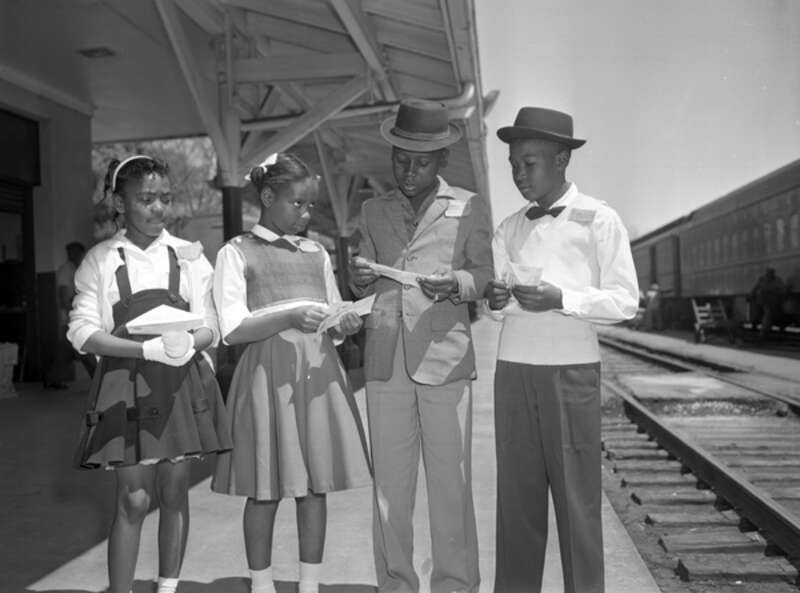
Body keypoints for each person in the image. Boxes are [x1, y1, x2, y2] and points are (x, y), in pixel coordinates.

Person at [486, 107, 639, 593]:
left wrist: (563, 300)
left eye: (528, 163)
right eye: (512, 164)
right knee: (517, 504)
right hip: (513, 371)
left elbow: (625, 302)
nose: (518, 174)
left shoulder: (600, 219)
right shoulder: (509, 227)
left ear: (561, 160)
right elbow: (496, 308)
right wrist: (495, 303)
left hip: (571, 373)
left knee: (577, 503)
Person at [67, 155, 232, 593]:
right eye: (145, 199)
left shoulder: (190, 257)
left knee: (175, 492)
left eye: (165, 198)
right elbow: (81, 331)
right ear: (119, 203)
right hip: (126, 388)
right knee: (133, 500)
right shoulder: (100, 261)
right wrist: (145, 348)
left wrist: (188, 343)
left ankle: (167, 587)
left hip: (180, 383)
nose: (158, 208)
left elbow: (212, 325)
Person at [350, 98, 493, 593]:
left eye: (421, 162)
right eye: (401, 160)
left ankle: (455, 586)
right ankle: (396, 585)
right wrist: (359, 276)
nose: (409, 172)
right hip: (385, 361)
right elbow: (363, 285)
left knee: (450, 487)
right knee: (390, 491)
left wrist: (456, 282)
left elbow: (485, 275)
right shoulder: (371, 210)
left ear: (442, 161)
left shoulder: (470, 207)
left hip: (445, 360)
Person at [211, 153, 371, 593]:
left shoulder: (317, 252)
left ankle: (309, 585)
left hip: (317, 376)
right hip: (266, 378)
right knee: (264, 488)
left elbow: (331, 317)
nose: (305, 214)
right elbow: (232, 329)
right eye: (297, 204)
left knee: (313, 486)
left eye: (310, 206)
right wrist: (290, 315)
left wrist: (344, 324)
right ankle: (261, 585)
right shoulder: (236, 252)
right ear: (267, 197)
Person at [45, 241, 95, 388]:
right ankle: (100, 381)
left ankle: (52, 379)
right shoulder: (66, 271)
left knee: (68, 352)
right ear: (72, 253)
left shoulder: (74, 269)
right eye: (79, 253)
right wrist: (73, 317)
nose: (81, 256)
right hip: (72, 318)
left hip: (74, 318)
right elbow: (64, 298)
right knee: (85, 350)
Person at [751, 267, 786, 339]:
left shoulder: (777, 280)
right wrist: (752, 295)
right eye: (768, 273)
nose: (769, 275)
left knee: (768, 315)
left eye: (771, 273)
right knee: (764, 314)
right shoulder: (762, 280)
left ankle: (764, 331)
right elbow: (755, 288)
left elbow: (783, 289)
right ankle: (760, 329)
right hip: (763, 301)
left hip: (772, 301)